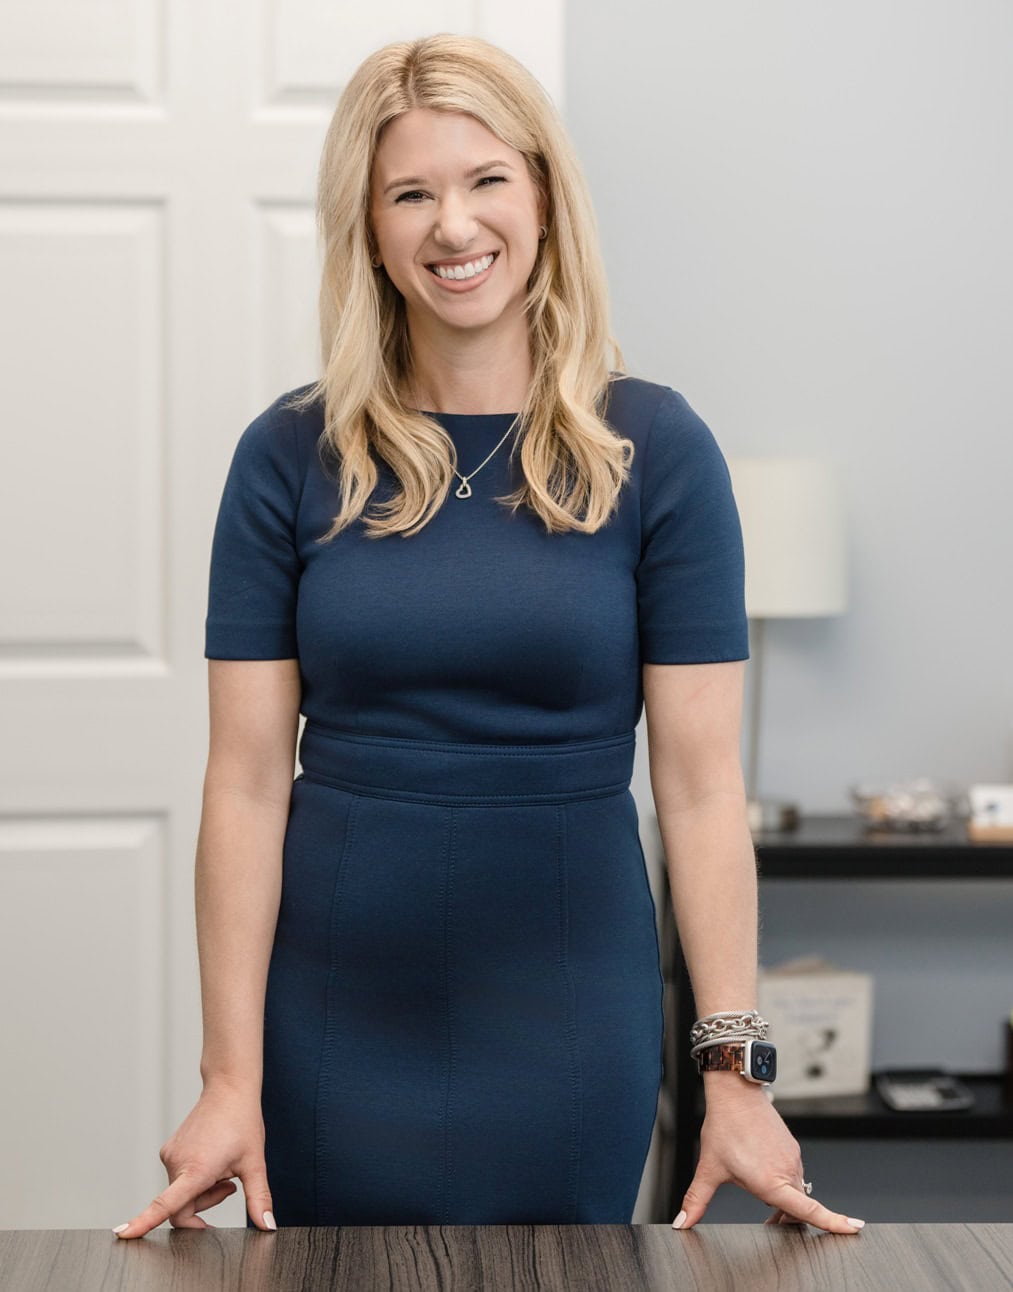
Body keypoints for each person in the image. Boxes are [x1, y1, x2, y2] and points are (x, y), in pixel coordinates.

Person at [113, 32, 864, 1237]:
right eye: (410, 193)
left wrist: (734, 1075)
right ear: (367, 228)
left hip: (567, 999)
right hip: (333, 1005)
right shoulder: (286, 454)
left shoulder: (655, 451)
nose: (452, 226)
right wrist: (227, 1077)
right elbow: (247, 782)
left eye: (484, 180)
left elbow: (701, 784)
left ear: (544, 195)